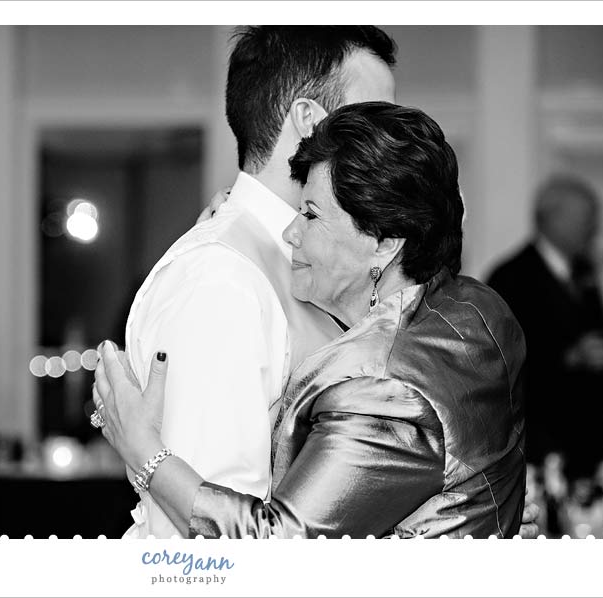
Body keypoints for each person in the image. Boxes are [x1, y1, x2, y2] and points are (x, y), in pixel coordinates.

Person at [93, 102, 527, 538]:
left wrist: (145, 453)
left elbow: (279, 547)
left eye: (312, 215)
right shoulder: (480, 309)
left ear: (384, 244)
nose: (290, 233)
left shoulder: (383, 385)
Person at [117, 26, 397, 538]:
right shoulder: (222, 282)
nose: (389, 140)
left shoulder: (316, 262)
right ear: (309, 122)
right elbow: (214, 553)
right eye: (373, 118)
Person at [487, 176, 603, 481]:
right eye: (586, 217)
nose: (594, 226)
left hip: (589, 441)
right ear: (551, 217)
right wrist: (568, 358)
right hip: (539, 444)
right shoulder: (511, 277)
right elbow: (499, 363)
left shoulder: (585, 272)